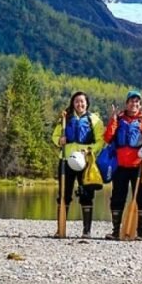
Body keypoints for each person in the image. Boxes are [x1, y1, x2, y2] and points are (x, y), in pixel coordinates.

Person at [103, 90, 142, 240]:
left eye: (137, 102)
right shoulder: (119, 119)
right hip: (120, 165)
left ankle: (139, 231)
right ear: (127, 103)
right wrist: (113, 120)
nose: (134, 104)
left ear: (140, 105)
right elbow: (108, 138)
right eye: (132, 101)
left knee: (141, 198)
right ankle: (115, 230)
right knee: (118, 197)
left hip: (138, 165)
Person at [51, 91, 105, 238]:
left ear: (87, 103)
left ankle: (86, 231)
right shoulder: (65, 118)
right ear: (73, 103)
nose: (79, 104)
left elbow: (101, 141)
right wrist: (59, 141)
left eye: (82, 102)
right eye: (76, 102)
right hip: (66, 159)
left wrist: (89, 150)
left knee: (86, 194)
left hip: (85, 161)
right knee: (64, 194)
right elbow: (55, 136)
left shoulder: (95, 120)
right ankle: (60, 228)